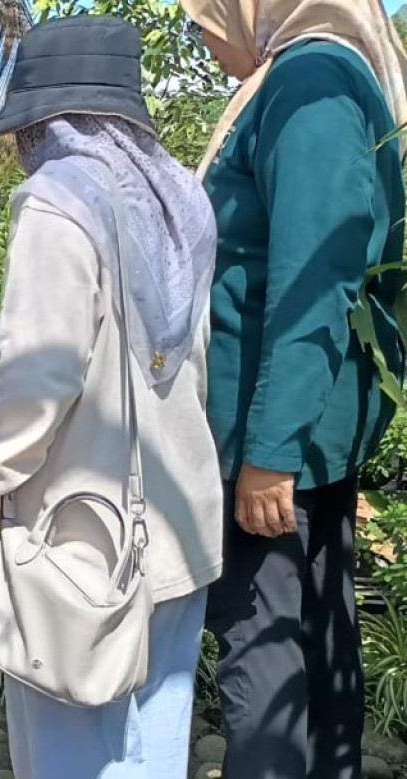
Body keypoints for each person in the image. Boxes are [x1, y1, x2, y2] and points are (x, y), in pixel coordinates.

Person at [0, 16, 223, 778]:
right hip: (178, 524)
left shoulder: (59, 201)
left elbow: (32, 379)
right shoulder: (182, 201)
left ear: (47, 119)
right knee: (153, 744)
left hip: (85, 538)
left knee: (70, 751)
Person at [179, 0, 407, 776]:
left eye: (203, 18)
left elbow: (319, 271)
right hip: (299, 426)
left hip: (275, 434)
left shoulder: (310, 79)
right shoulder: (310, 76)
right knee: (314, 633)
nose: (204, 40)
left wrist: (270, 451)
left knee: (263, 647)